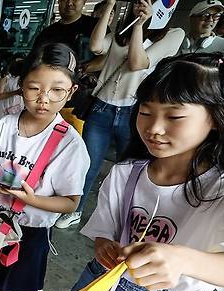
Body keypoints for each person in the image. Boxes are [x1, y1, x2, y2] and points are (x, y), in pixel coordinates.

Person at [70, 53, 224, 291]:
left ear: (215, 117)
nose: (154, 128)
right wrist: (104, 247)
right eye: (145, 112)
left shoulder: (221, 191)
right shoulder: (126, 173)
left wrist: (181, 259)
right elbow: (103, 232)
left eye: (174, 116)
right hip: (100, 284)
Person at [0, 43, 90, 291]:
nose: (43, 99)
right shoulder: (3, 126)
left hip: (29, 235)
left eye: (56, 91)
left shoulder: (70, 145)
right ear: (21, 86)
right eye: (34, 88)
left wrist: (32, 199)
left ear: (71, 92)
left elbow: (71, 203)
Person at [55, 0, 184, 229]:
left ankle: (123, 219)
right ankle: (75, 209)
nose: (141, 4)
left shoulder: (172, 34)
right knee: (87, 166)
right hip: (102, 108)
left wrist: (141, 25)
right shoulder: (121, 29)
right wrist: (111, 6)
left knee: (131, 171)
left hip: (135, 113)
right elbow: (96, 46)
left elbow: (138, 63)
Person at [32, 0, 98, 134]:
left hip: (84, 105)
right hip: (49, 103)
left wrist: (84, 69)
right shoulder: (48, 33)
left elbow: (107, 58)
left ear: (84, 1)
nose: (69, 3)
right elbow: (35, 64)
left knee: (74, 146)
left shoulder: (95, 27)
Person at [0, 56, 24, 125]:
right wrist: (15, 92)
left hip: (18, 108)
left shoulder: (23, 78)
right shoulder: (6, 77)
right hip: (5, 108)